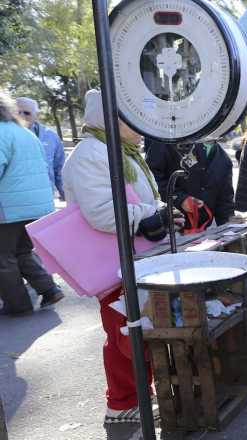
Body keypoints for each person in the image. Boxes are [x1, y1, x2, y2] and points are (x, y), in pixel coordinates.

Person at [63, 89, 175, 424]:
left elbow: (138, 200)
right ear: (109, 119)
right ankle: (123, 402)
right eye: (131, 119)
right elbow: (100, 212)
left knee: (136, 331)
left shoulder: (122, 152)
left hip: (130, 258)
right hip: (111, 263)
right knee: (125, 335)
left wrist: (160, 213)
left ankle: (139, 394)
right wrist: (149, 214)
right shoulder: (91, 154)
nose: (141, 127)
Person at [0, 92, 63, 315]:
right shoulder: (24, 132)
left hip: (8, 208)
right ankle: (49, 288)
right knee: (22, 252)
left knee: (3, 258)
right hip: (35, 206)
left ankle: (17, 305)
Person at [144, 139, 235, 231]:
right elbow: (150, 177)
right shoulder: (168, 140)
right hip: (168, 229)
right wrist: (180, 199)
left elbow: (225, 200)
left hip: (201, 232)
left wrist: (229, 220)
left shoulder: (224, 160)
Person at [15, 97, 64, 200]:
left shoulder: (51, 137)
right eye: (17, 112)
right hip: (12, 204)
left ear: (36, 115)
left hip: (44, 201)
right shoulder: (4, 136)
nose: (21, 116)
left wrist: (65, 194)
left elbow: (59, 169)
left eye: (27, 113)